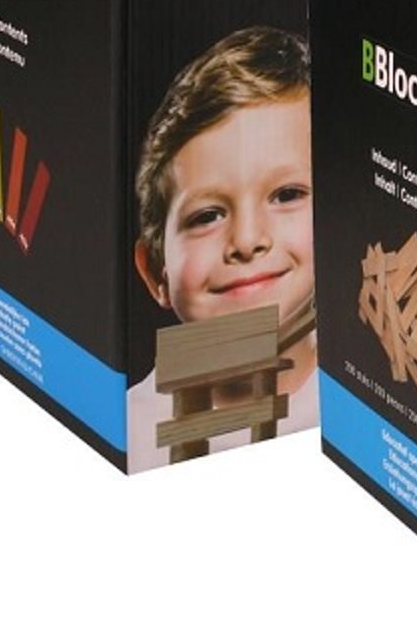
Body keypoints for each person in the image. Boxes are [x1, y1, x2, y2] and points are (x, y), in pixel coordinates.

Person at [126, 26, 316, 472]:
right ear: (155, 271)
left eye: (287, 194)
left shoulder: (369, 397)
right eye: (206, 216)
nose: (247, 241)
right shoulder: (132, 437)